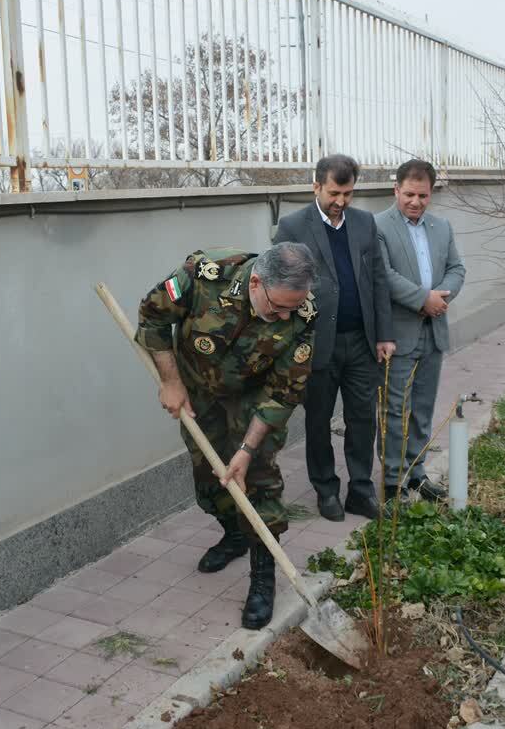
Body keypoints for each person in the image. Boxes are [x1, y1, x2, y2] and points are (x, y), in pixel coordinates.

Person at [136, 243, 318, 629]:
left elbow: (284, 392)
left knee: (257, 482)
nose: (284, 316)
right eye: (277, 308)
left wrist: (248, 449)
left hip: (254, 398)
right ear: (256, 282)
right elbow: (151, 318)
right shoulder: (203, 279)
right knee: (209, 480)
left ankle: (263, 574)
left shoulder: (301, 314)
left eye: (291, 308)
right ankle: (235, 534)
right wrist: (170, 382)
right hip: (197, 391)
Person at [274, 155, 395, 521]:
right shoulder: (293, 226)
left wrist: (384, 334)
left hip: (361, 342)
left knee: (363, 418)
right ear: (316, 186)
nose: (341, 201)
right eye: (334, 193)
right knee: (318, 420)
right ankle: (326, 489)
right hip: (315, 346)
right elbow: (280, 285)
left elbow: (378, 279)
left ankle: (361, 489)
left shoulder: (364, 223)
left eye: (347, 193)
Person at [374, 159, 466, 501]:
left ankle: (417, 473)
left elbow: (457, 268)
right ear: (396, 190)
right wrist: (422, 299)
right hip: (398, 334)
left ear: (431, 194)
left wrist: (442, 297)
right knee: (394, 409)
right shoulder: (379, 226)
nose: (416, 202)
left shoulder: (442, 227)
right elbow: (382, 275)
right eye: (409, 194)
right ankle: (393, 480)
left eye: (423, 195)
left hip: (434, 330)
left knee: (423, 408)